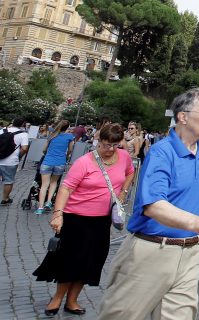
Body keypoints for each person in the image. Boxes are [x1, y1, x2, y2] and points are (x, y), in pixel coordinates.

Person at [98, 88, 199, 319]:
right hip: (152, 251)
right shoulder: (162, 152)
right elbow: (153, 205)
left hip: (190, 254)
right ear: (183, 117)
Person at [34, 123, 134, 316]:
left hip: (102, 221)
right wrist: (58, 214)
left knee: (91, 261)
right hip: (76, 219)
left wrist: (123, 192)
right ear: (99, 141)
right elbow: (66, 188)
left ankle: (72, 300)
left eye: (114, 145)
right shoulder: (84, 162)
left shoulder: (123, 157)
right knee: (70, 261)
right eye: (106, 144)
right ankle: (57, 298)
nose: (110, 149)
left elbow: (130, 172)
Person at [36, 120, 75, 215]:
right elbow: (70, 150)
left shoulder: (52, 135)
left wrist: (47, 153)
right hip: (60, 162)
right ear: (67, 127)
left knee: (44, 185)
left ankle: (40, 207)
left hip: (47, 161)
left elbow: (44, 149)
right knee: (54, 183)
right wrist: (66, 156)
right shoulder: (70, 137)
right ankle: (48, 202)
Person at [0, 118, 30, 205]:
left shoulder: (2, 130)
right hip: (11, 161)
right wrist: (19, 157)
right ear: (23, 124)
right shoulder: (23, 134)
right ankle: (5, 199)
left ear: (12, 122)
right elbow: (24, 148)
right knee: (8, 181)